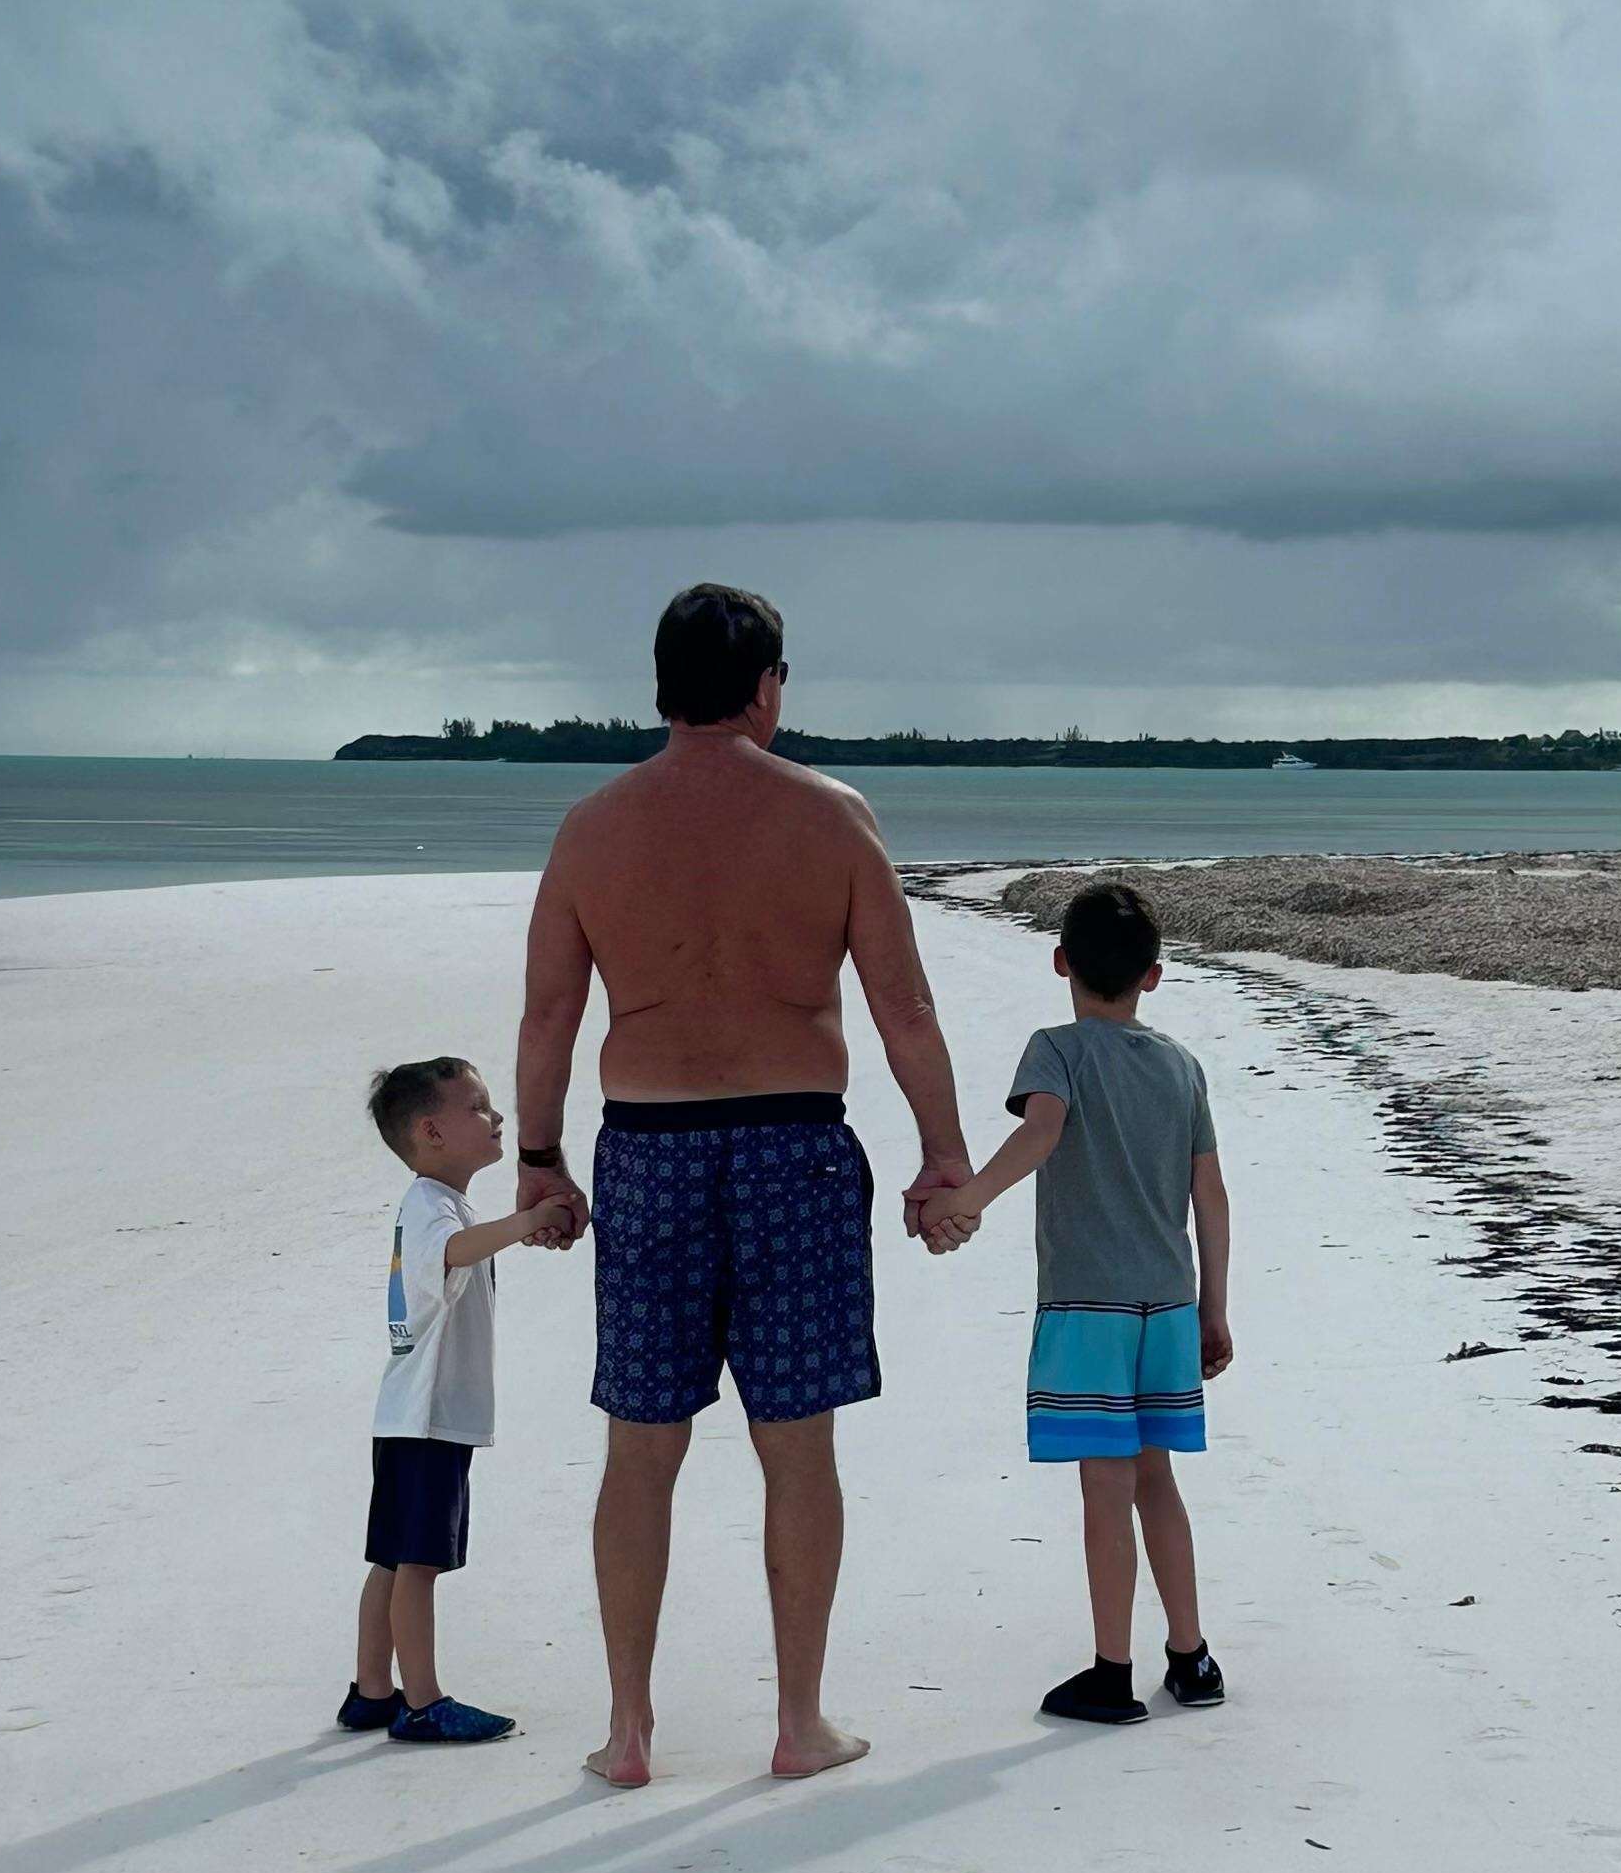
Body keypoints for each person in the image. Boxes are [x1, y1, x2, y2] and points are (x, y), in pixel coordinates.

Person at [513, 582, 976, 1789]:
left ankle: (627, 1732)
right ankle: (799, 1722)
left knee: (641, 1446)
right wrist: (943, 1156)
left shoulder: (592, 827)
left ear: (660, 686)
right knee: (797, 1446)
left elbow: (551, 1014)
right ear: (769, 685)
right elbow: (903, 1007)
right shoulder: (831, 816)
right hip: (792, 1147)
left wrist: (540, 1159)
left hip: (651, 1149)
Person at [919, 879, 1233, 1727]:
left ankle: (1111, 1671)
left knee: (1105, 1486)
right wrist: (1215, 1306)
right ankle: (1191, 1657)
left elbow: (1041, 1130)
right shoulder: (1181, 1065)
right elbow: (1211, 1194)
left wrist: (969, 1198)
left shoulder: (1055, 1049)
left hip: (1088, 1304)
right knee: (1156, 1479)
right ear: (1154, 975)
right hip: (1167, 1304)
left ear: (1061, 963)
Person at [340, 1055, 568, 1747]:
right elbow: (456, 1252)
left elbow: (461, 1247)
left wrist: (516, 1226)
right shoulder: (433, 1209)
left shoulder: (439, 1205)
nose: (497, 1118)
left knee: (391, 1556)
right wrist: (528, 1220)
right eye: (479, 1107)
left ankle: (372, 1692)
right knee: (418, 1563)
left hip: (409, 1414)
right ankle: (422, 1701)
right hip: (427, 1419)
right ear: (432, 1133)